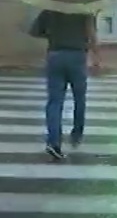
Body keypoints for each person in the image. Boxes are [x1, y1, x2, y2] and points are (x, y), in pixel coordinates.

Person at [28, 9, 99, 160]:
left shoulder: (50, 9)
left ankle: (53, 142)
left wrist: (51, 34)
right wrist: (96, 57)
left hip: (55, 54)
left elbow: (34, 31)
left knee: (55, 101)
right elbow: (92, 35)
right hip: (77, 56)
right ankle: (76, 134)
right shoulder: (84, 10)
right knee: (79, 98)